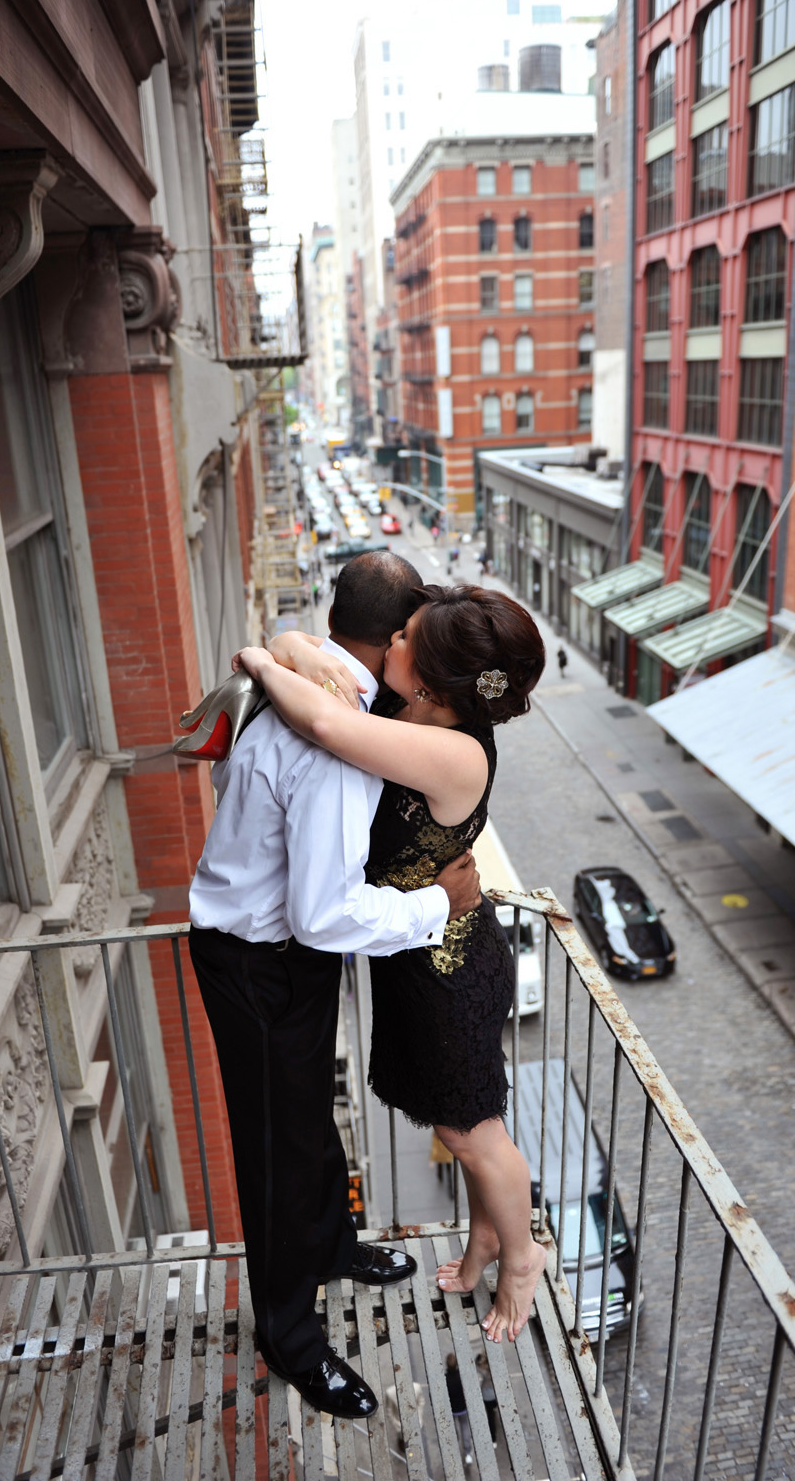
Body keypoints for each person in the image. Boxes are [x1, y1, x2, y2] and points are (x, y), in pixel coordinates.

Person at [187, 552, 482, 1421]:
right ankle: (291, 1337)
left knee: (308, 1113)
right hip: (261, 960)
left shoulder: (315, 689)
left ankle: (332, 1244)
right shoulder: (334, 743)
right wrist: (437, 903)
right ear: (393, 640)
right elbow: (324, 914)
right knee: (275, 1148)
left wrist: (274, 647)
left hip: (278, 954)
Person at [237, 583, 547, 1344]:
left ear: (435, 682)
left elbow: (316, 717)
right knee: (466, 1122)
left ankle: (521, 1259)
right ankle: (482, 1238)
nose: (389, 646)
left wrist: (253, 656)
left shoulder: (452, 752)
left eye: (403, 637)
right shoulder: (416, 713)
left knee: (474, 1133)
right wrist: (288, 645)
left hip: (448, 972)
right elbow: (311, 653)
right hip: (418, 959)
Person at [445, 1352, 473, 1464]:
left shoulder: (445, 1378)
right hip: (462, 1407)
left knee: (453, 1429)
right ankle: (467, 1453)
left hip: (452, 1409)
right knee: (465, 1428)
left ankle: (454, 1448)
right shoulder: (461, 1376)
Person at [477, 1351, 498, 1446]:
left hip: (486, 1396)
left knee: (490, 1417)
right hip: (495, 1395)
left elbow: (480, 1383)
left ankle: (493, 1439)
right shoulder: (494, 1368)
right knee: (493, 1413)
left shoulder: (482, 1371)